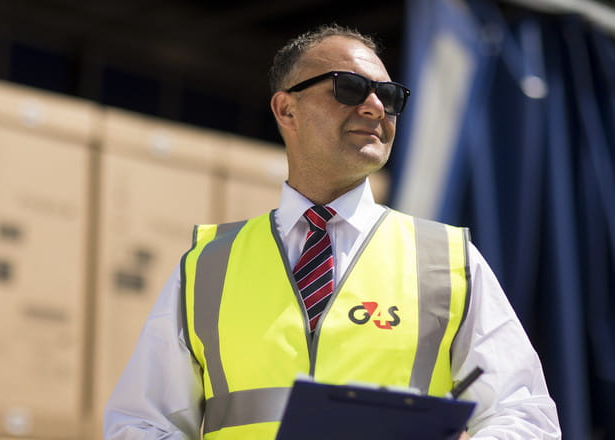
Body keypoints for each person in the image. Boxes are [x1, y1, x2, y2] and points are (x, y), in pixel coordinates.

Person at [103, 24, 561, 439]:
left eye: (390, 95)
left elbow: (524, 415)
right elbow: (140, 424)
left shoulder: (448, 261)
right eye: (351, 87)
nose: (376, 106)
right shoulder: (207, 265)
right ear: (287, 110)